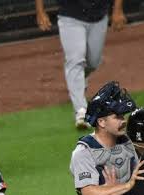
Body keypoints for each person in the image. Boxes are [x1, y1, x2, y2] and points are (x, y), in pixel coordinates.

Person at [35, 0, 125, 129]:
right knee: (75, 61)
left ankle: (79, 82)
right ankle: (81, 110)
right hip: (69, 16)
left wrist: (117, 9)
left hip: (99, 15)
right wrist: (40, 11)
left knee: (93, 62)